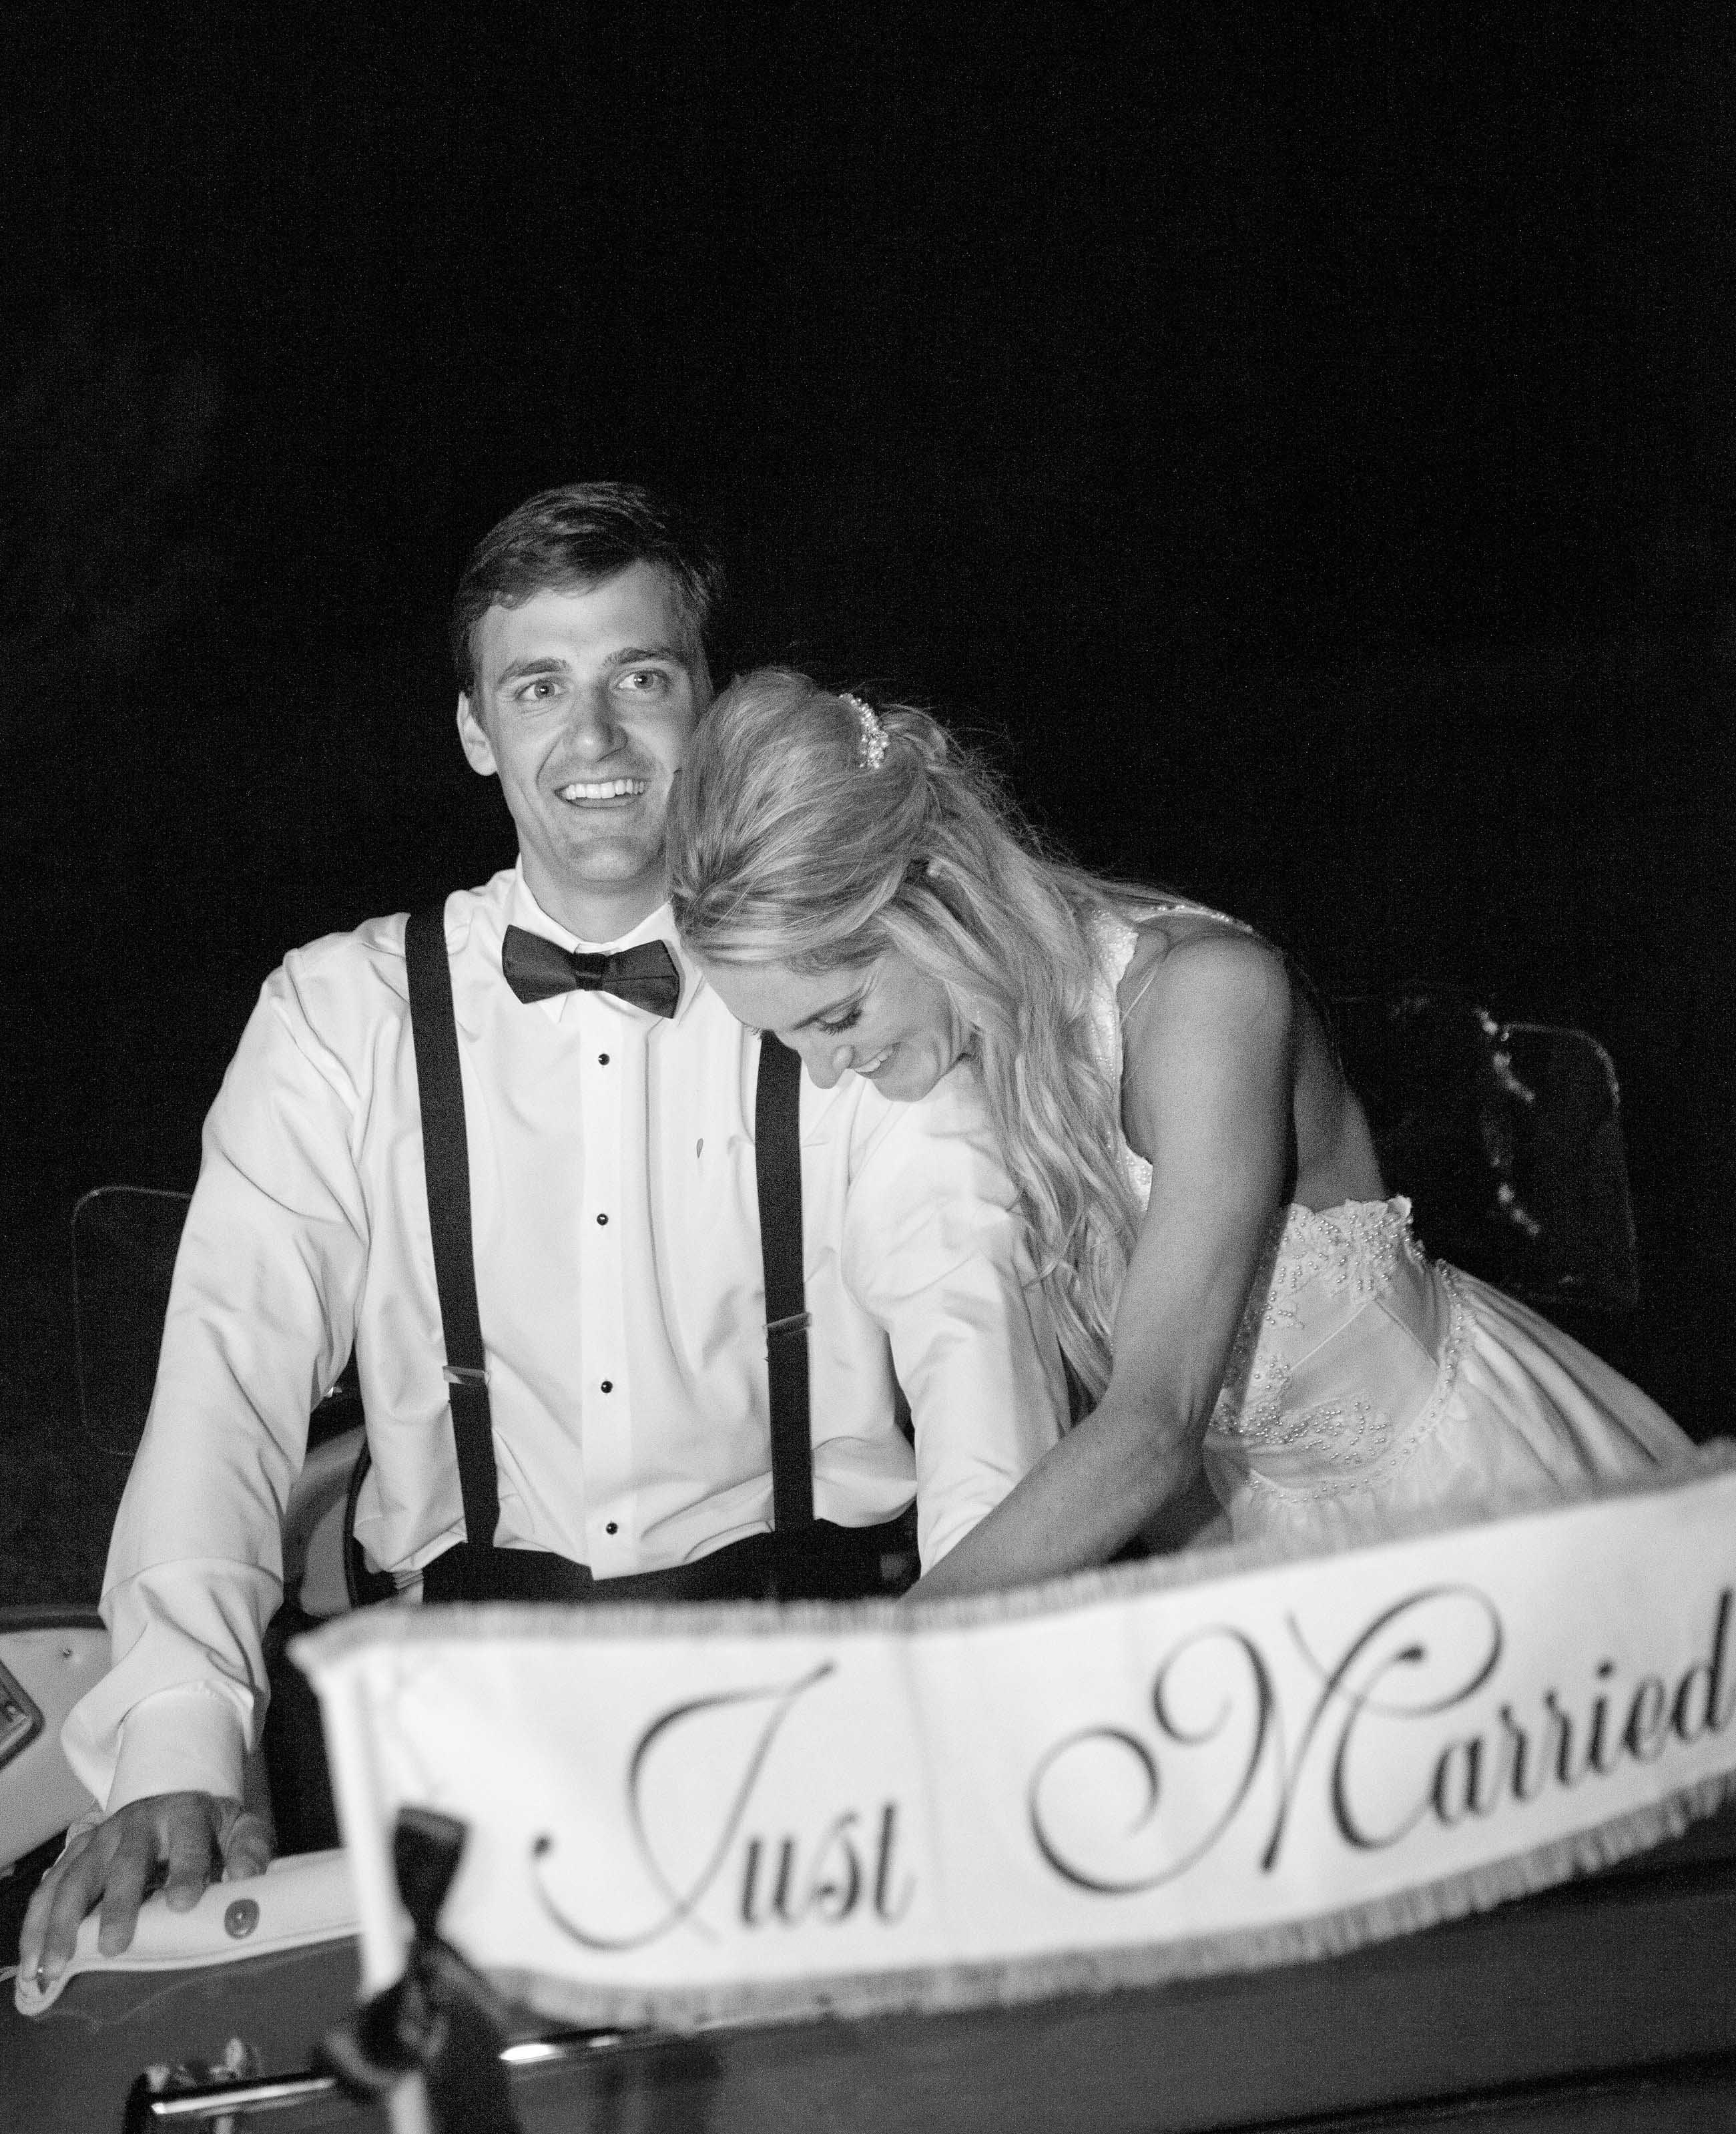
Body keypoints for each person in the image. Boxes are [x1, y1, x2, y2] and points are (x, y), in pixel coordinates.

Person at [21, 490, 1064, 1988]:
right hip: (458, 1730)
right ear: (473, 729)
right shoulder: (337, 1017)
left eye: (639, 676)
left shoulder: (850, 978)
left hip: (813, 1688)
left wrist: (983, 1688)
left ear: (707, 705)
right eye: (536, 687)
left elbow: (976, 1336)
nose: (593, 738)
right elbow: (225, 1377)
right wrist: (174, 1739)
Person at [665, 669, 1693, 1603]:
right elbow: (1133, 1455)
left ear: (935, 897)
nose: (826, 1070)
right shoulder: (976, 1048)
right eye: (785, 1039)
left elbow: (1151, 1429)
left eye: (837, 1017)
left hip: (1480, 1512)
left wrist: (887, 1658)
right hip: (1269, 1554)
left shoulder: (1206, 1000)